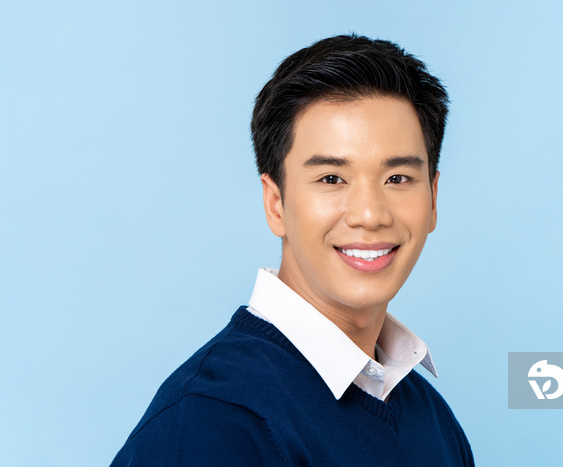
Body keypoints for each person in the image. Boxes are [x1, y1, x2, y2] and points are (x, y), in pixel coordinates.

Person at [112, 34, 475, 466]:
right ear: (276, 203)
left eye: (397, 178)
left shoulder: (430, 418)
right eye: (331, 179)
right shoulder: (210, 422)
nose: (370, 215)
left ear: (433, 200)